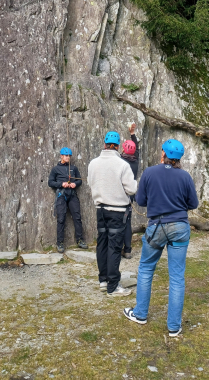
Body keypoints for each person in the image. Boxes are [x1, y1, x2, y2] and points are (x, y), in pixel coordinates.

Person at [123, 139, 199, 337]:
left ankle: (140, 314)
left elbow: (140, 201)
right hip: (180, 226)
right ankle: (174, 327)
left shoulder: (149, 172)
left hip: (156, 225)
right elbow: (193, 203)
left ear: (163, 154)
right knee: (176, 276)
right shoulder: (185, 176)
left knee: (147, 268)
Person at [88, 131, 137, 297]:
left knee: (102, 244)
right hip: (117, 211)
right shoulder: (122, 165)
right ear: (117, 146)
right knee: (114, 247)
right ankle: (113, 286)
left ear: (104, 144)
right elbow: (132, 189)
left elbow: (90, 182)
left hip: (100, 209)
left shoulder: (93, 163)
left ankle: (103, 280)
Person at [48, 147, 88, 253]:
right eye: (66, 155)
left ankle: (80, 240)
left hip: (72, 194)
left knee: (77, 217)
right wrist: (61, 184)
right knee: (61, 218)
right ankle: (60, 242)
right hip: (62, 194)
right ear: (61, 156)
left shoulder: (73, 168)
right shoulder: (55, 169)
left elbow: (79, 181)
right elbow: (50, 182)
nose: (68, 157)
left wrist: (75, 183)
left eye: (69, 156)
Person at [120, 122, 140, 259]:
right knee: (127, 223)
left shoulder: (120, 162)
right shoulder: (135, 160)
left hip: (119, 196)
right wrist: (132, 134)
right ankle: (127, 250)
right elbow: (136, 148)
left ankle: (117, 248)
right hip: (130, 196)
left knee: (117, 222)